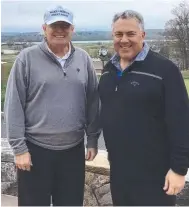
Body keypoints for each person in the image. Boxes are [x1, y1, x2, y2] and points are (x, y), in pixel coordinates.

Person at [4, 5, 100, 206]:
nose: (59, 30)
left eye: (65, 25)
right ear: (44, 28)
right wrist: (19, 148)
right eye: (54, 25)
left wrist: (92, 139)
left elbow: (93, 101)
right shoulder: (26, 59)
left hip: (73, 150)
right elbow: (14, 105)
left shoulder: (83, 59)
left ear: (72, 29)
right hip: (35, 150)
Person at [98, 10, 189, 206]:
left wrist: (179, 169)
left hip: (155, 176)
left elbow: (181, 123)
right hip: (120, 173)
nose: (124, 40)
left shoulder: (165, 70)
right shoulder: (108, 72)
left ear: (142, 35)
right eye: (118, 34)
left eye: (130, 34)